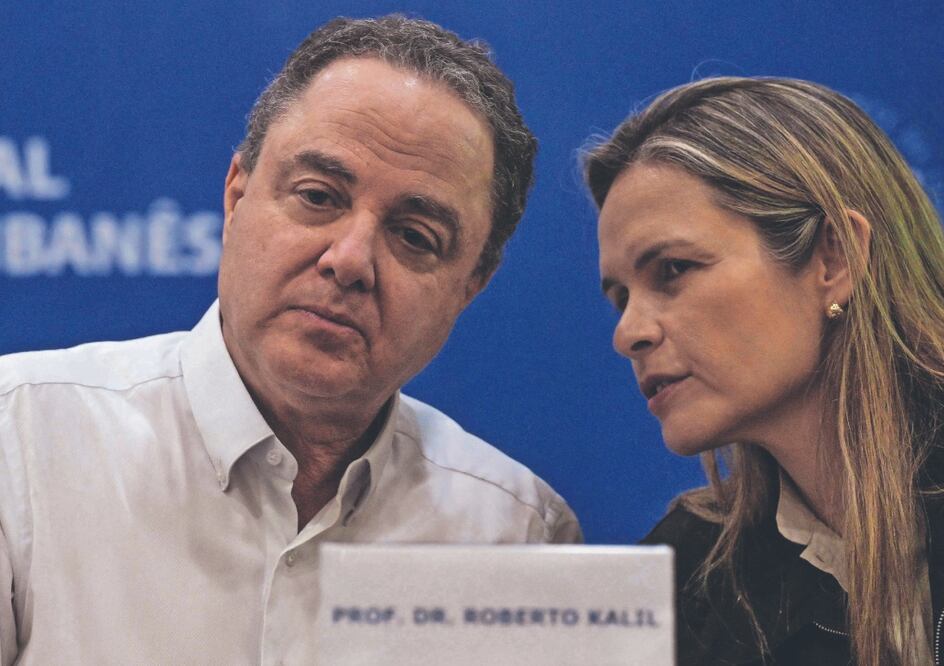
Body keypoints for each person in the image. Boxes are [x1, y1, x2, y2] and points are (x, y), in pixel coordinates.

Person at [0, 15, 580, 664]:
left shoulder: (516, 531)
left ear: (469, 285)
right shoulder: (19, 441)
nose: (350, 259)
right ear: (236, 195)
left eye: (415, 236)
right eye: (318, 196)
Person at [586, 76, 944, 665]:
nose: (629, 333)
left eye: (673, 269)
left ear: (835, 257)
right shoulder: (689, 578)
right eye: (620, 297)